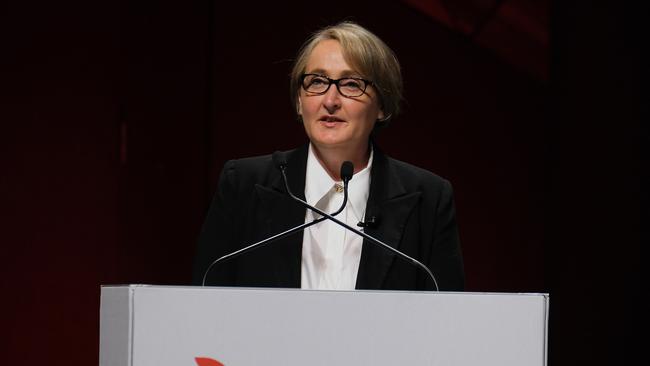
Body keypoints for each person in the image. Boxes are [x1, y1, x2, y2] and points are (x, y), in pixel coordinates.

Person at [192, 21, 464, 291]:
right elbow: (205, 304)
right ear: (300, 100)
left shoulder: (428, 199)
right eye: (317, 82)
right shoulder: (243, 186)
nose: (330, 100)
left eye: (351, 84)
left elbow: (445, 319)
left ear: (382, 104)